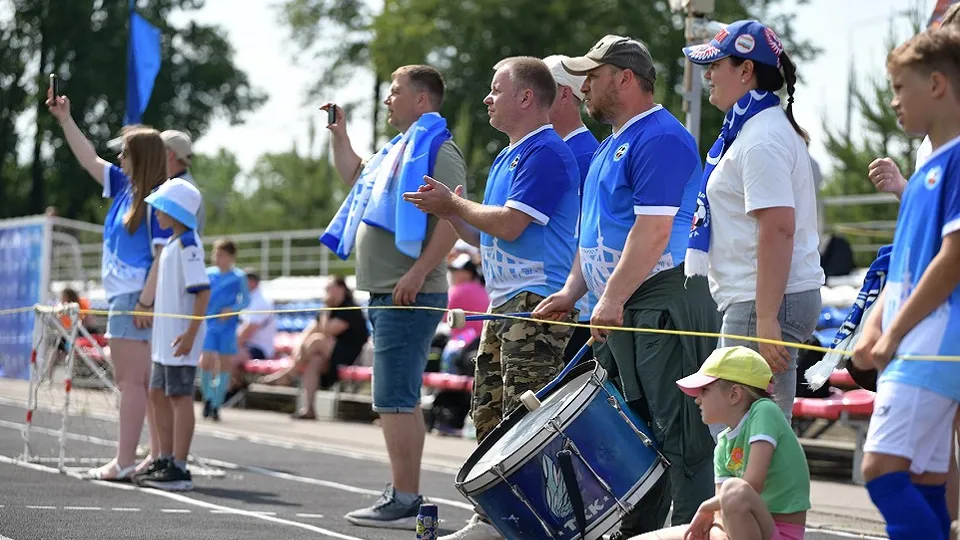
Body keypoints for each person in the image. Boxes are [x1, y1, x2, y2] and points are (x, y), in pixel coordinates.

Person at [534, 36, 721, 534]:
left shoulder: (658, 137)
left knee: (680, 432)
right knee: (630, 433)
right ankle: (644, 532)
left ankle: (684, 532)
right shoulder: (612, 142)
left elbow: (655, 229)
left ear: (624, 78)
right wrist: (575, 291)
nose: (583, 88)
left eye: (591, 77)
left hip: (662, 299)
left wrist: (611, 297)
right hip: (623, 305)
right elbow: (591, 232)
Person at [404, 56, 581, 540]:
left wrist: (455, 205)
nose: (486, 98)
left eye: (495, 88)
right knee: (489, 417)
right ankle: (496, 518)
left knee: (522, 424)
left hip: (535, 305)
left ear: (526, 97)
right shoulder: (510, 155)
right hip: (505, 305)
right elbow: (491, 237)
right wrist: (449, 214)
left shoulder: (545, 151)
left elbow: (509, 223)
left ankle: (531, 524)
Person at [320, 64, 466, 529]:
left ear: (422, 100)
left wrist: (420, 272)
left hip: (410, 293)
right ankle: (402, 494)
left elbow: (451, 216)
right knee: (392, 398)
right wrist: (339, 134)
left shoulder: (438, 148)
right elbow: (354, 176)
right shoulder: (395, 151)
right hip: (390, 293)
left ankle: (405, 499)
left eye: (395, 92)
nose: (387, 99)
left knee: (395, 399)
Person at [681, 20, 824, 422]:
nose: (707, 74)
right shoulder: (755, 131)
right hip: (760, 299)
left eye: (716, 64)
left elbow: (778, 228)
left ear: (746, 71)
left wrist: (764, 318)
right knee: (747, 439)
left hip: (762, 302)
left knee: (742, 439)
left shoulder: (761, 137)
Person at [852, 26, 960, 540]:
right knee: (925, 480)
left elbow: (953, 259)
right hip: (917, 340)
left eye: (900, 87)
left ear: (937, 84)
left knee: (881, 472)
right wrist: (872, 327)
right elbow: (904, 268)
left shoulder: (958, 161)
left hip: (931, 342)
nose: (893, 101)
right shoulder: (923, 173)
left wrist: (893, 335)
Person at [47, 90, 171, 482]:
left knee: (130, 381)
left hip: (137, 299)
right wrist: (66, 119)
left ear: (142, 159)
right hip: (128, 297)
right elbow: (89, 158)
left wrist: (145, 303)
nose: (119, 158)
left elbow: (162, 256)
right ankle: (151, 455)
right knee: (138, 381)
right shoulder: (122, 188)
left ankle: (125, 460)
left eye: (126, 153)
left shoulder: (155, 200)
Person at [632, 346, 811, 540]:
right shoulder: (723, 444)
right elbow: (720, 516)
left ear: (734, 394)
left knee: (733, 490)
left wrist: (705, 507)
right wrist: (712, 524)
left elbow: (750, 487)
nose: (697, 400)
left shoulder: (764, 411)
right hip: (734, 531)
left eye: (705, 390)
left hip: (778, 534)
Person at [132, 178, 210, 491]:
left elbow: (202, 292)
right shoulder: (171, 246)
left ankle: (179, 465)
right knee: (157, 394)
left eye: (162, 208)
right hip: (164, 339)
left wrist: (191, 333)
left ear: (175, 211)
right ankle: (163, 457)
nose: (157, 214)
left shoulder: (189, 245)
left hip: (180, 338)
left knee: (179, 396)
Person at [543, 54, 601, 362]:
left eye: (544, 87)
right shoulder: (562, 150)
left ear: (566, 93)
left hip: (576, 310)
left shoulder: (584, 154)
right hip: (561, 303)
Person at [284, 275, 370, 420]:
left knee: (318, 341)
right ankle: (308, 409)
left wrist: (325, 310)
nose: (327, 291)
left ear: (341, 289)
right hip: (330, 355)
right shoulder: (330, 308)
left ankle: (289, 374)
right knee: (314, 361)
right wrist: (300, 346)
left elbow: (326, 331)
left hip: (353, 355)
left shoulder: (350, 308)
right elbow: (309, 331)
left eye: (330, 288)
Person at [110, 129, 205, 235]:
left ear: (169, 154)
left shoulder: (180, 190)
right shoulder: (183, 186)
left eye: (158, 148)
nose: (152, 153)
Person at [198, 238, 249, 422]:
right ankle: (208, 397)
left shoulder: (238, 276)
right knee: (205, 362)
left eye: (220, 255)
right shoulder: (209, 274)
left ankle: (217, 403)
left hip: (228, 326)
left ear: (230, 257)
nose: (216, 258)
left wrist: (232, 309)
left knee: (225, 364)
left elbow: (245, 300)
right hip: (210, 324)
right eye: (215, 254)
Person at [232, 269, 276, 390]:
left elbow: (247, 331)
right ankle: (234, 388)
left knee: (227, 357)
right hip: (247, 347)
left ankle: (233, 389)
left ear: (251, 282)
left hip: (260, 349)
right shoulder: (248, 300)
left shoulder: (261, 302)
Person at [446, 253, 490, 346]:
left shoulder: (458, 290)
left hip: (464, 339)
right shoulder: (481, 288)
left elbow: (444, 316)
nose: (453, 274)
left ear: (468, 273)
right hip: (484, 337)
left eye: (457, 271)